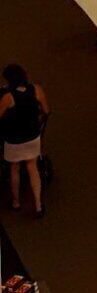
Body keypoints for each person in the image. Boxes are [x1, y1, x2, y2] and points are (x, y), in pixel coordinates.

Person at [0, 65, 48, 215]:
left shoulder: (8, 97)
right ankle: (38, 205)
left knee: (14, 168)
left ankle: (16, 201)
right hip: (32, 136)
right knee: (32, 168)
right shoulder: (36, 90)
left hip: (13, 139)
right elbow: (46, 110)